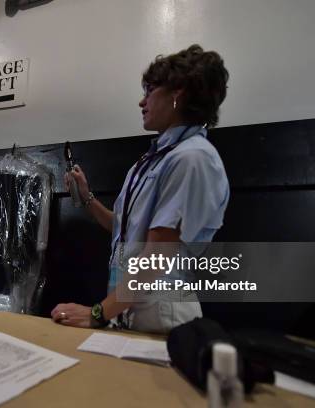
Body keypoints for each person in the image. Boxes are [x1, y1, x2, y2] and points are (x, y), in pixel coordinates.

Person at [51, 44, 230, 333]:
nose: (141, 102)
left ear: (178, 94)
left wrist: (98, 313)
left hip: (161, 310)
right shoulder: (153, 161)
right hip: (130, 304)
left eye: (150, 90)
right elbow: (125, 229)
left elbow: (159, 251)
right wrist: (87, 198)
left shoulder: (192, 158)